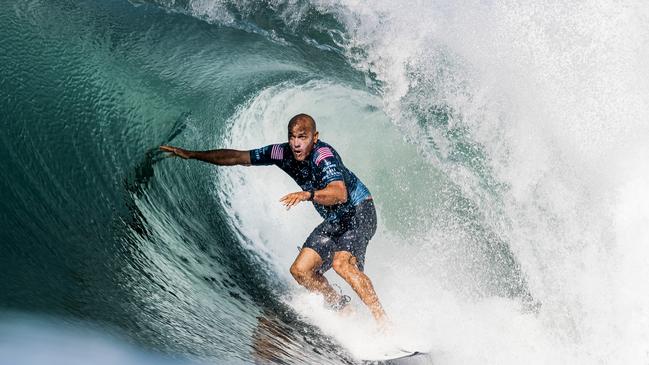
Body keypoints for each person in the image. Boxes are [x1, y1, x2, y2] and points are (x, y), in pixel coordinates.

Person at [160, 113, 387, 324]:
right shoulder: (281, 153)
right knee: (301, 271)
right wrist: (192, 154)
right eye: (292, 137)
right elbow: (238, 157)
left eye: (303, 137)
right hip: (336, 220)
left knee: (341, 265)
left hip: (359, 211)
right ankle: (342, 308)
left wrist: (307, 195)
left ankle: (384, 324)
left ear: (314, 138)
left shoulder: (323, 157)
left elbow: (340, 193)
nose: (296, 143)